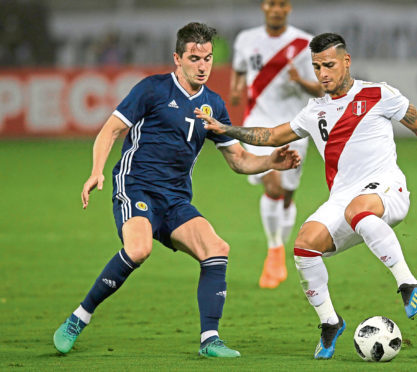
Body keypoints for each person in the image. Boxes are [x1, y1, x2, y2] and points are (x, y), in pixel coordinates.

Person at [197, 32, 417, 360]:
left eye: (329, 65)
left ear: (346, 62)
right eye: (316, 67)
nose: (322, 73)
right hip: (343, 199)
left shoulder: (378, 94)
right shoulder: (314, 111)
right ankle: (330, 322)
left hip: (386, 189)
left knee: (358, 211)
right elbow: (270, 135)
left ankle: (408, 284)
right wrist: (227, 129)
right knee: (304, 246)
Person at [53, 22, 300, 358]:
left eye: (208, 58)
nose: (203, 65)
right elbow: (110, 131)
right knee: (139, 250)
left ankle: (209, 339)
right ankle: (78, 318)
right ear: (178, 59)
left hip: (175, 199)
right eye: (195, 58)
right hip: (136, 186)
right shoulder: (152, 90)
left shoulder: (213, 104)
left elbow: (239, 161)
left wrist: (271, 160)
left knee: (217, 248)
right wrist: (96, 171)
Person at [230, 0, 323, 289]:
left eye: (281, 4)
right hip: (258, 124)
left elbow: (321, 87)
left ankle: (279, 251)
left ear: (288, 8)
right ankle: (274, 250)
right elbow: (240, 70)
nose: (276, 9)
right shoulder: (246, 39)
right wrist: (235, 89)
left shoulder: (305, 43)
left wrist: (300, 81)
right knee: (273, 185)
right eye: (272, 4)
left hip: (295, 126)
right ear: (264, 7)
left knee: (287, 196)